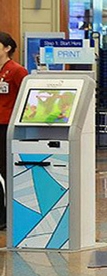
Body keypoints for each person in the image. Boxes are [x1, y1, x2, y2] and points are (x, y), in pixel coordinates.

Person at [0, 31, 27, 230]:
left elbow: (25, 97)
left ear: (7, 48)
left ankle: (9, 215)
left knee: (6, 170)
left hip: (5, 126)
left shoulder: (17, 71)